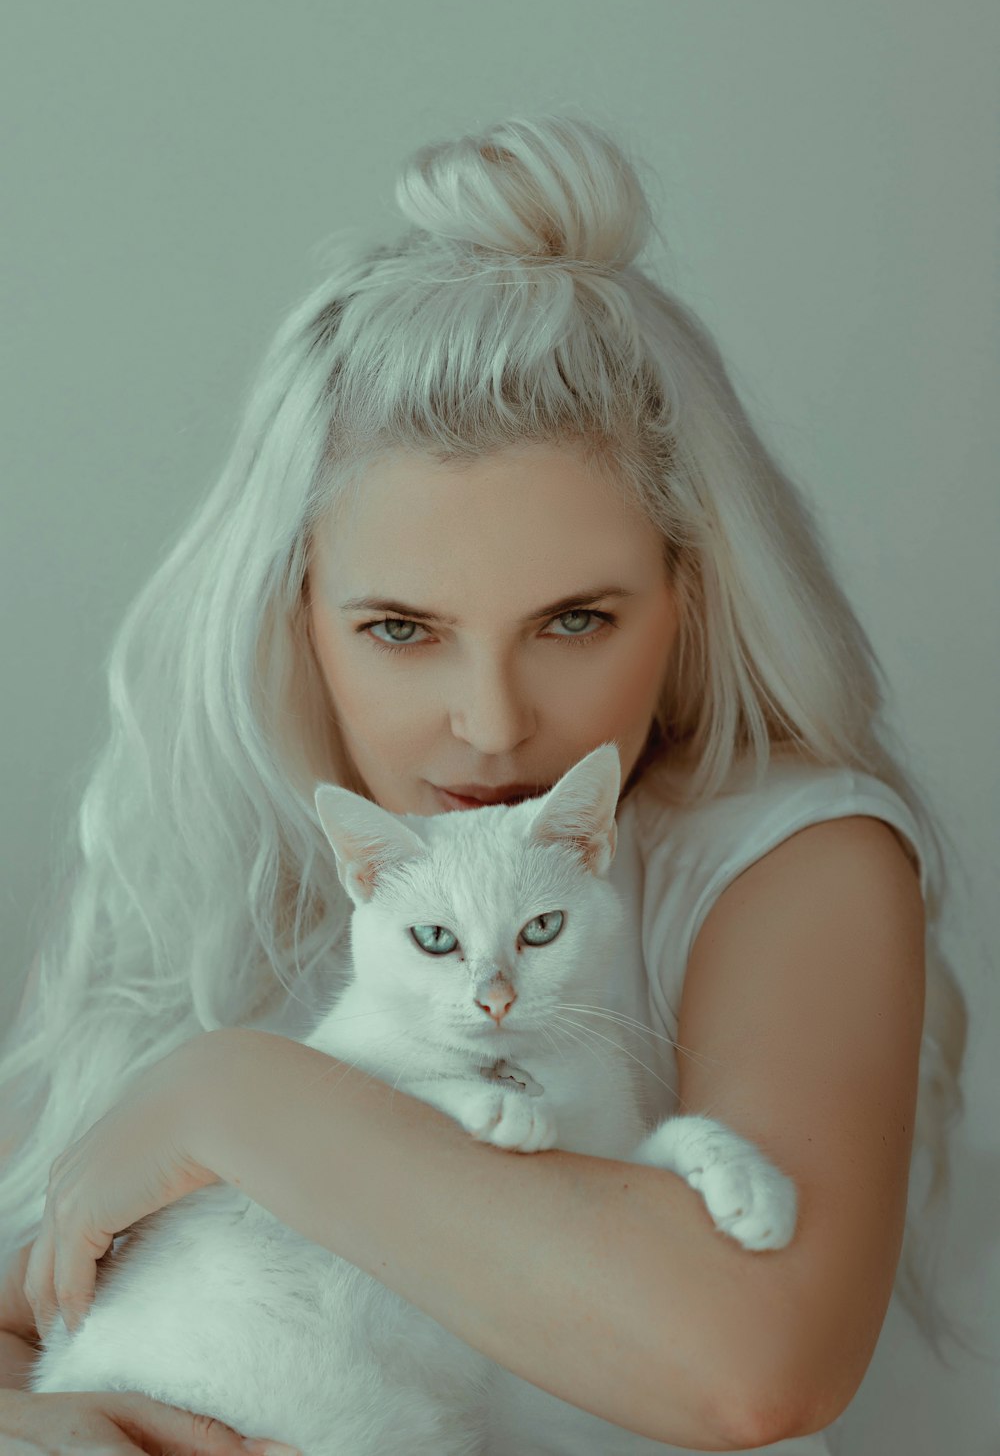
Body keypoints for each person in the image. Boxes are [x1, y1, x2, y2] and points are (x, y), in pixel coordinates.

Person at [0, 113, 979, 1453]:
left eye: (575, 621)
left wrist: (229, 1095)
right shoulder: (243, 889)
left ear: (685, 604)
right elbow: (34, 1306)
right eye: (401, 630)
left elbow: (750, 1362)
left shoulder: (792, 864)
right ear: (295, 617)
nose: (491, 725)